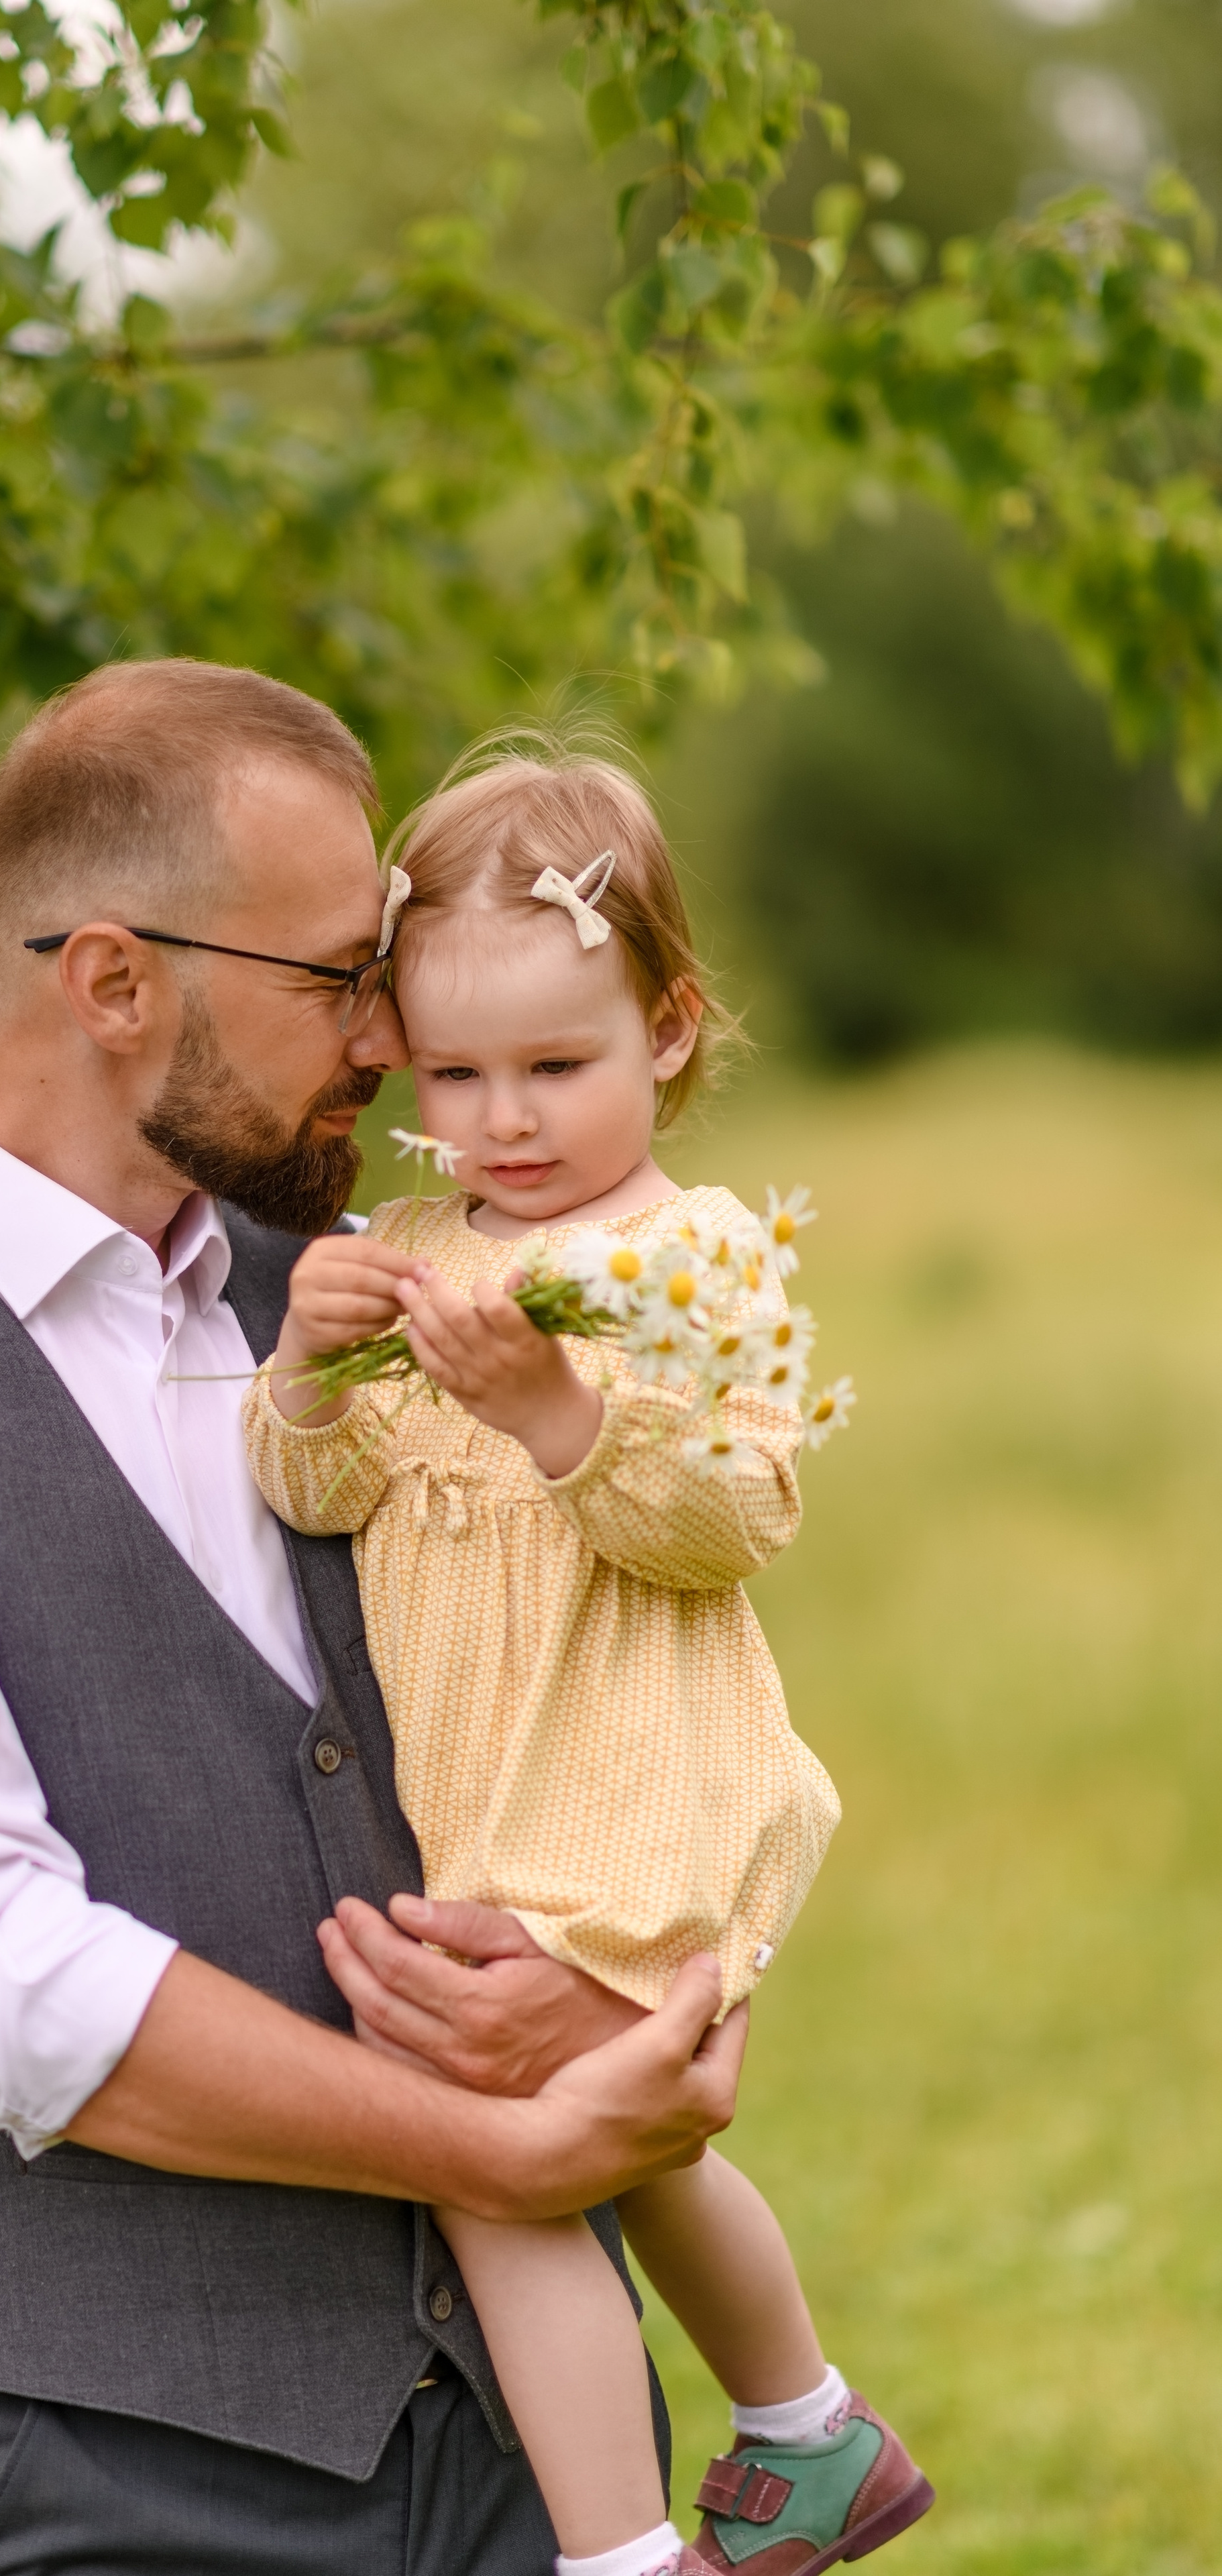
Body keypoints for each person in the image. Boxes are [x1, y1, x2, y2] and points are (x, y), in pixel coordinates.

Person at [0, 660, 748, 2576]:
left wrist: (642, 1984)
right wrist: (492, 2147)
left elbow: (658, 1673)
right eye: (336, 978)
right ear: (117, 980)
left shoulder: (393, 1292)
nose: (395, 1037)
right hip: (125, 2487)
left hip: (547, 2476)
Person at [245, 741, 936, 2576]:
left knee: (490, 2167)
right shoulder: (400, 1254)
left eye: (558, 1065)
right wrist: (308, 1368)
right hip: (485, 1799)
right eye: (458, 1075)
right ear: (396, 1047)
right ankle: (808, 2434)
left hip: (633, 1781)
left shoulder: (694, 1258)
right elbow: (312, 1501)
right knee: (625, 2143)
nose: (506, 1120)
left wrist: (559, 1409)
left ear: (673, 1030)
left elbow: (732, 1520)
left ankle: (618, 2555)